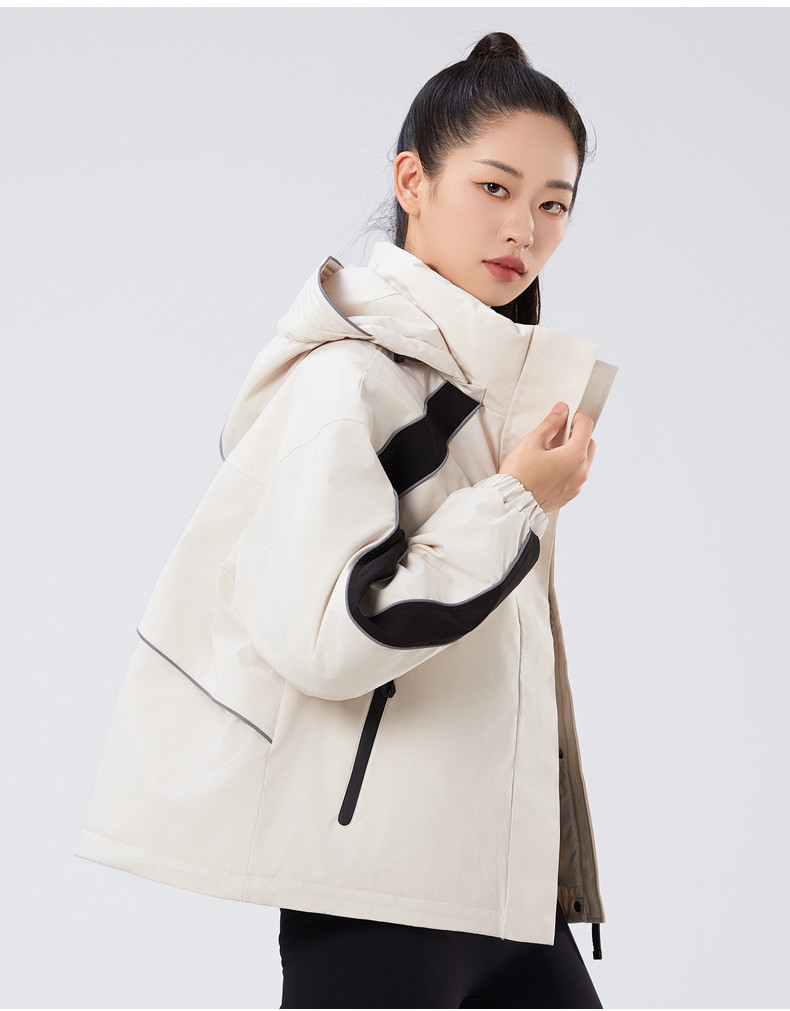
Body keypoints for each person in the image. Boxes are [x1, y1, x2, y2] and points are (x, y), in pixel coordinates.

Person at [76, 30, 615, 1009]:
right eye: (493, 188)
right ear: (413, 181)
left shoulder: (480, 392)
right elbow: (331, 631)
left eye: (553, 203)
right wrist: (516, 500)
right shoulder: (349, 380)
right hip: (380, 894)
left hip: (500, 884)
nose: (523, 229)